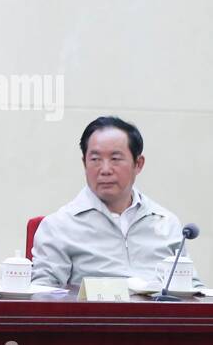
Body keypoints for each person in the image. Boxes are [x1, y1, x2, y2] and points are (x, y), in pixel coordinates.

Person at [32, 116, 200, 288]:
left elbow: (191, 288)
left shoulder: (166, 222)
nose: (105, 170)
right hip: (92, 314)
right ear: (84, 163)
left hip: (158, 314)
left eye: (115, 159)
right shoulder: (59, 226)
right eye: (95, 159)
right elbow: (43, 293)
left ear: (138, 164)